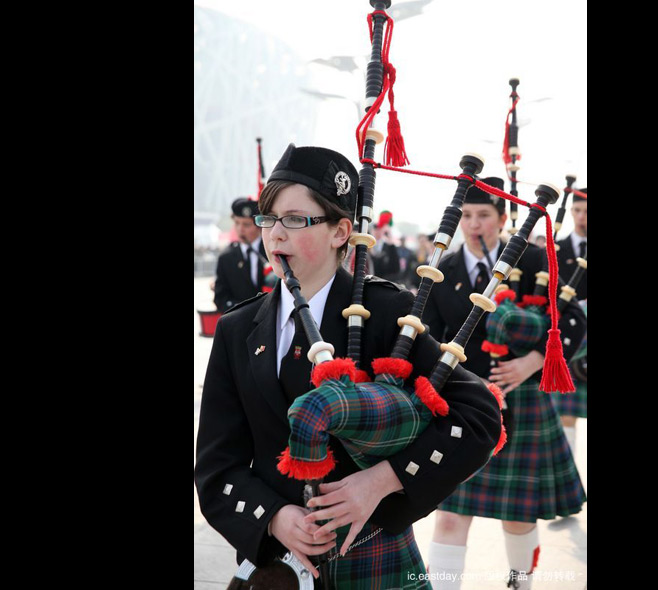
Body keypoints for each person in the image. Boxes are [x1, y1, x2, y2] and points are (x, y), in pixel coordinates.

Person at [194, 144, 502, 589]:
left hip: (374, 556)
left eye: (296, 219)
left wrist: (381, 481)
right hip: (274, 564)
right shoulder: (237, 328)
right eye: (268, 218)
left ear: (341, 231)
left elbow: (477, 416)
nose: (275, 235)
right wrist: (276, 518)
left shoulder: (387, 313)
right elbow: (216, 464)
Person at [421, 178, 587, 589]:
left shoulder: (533, 260)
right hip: (461, 404)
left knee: (518, 516)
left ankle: (520, 584)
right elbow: (431, 334)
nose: (475, 225)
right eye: (467, 216)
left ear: (500, 218)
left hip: (523, 400)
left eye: (484, 216)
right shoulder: (444, 269)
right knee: (450, 515)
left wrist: (533, 362)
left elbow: (571, 322)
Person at [552, 188, 587, 454]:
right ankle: (570, 462)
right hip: (570, 336)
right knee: (565, 415)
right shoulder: (556, 250)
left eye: (587, 212)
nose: (581, 217)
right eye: (577, 210)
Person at [213, 198, 277, 312]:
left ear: (258, 225)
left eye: (246, 225)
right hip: (239, 321)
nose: (240, 229)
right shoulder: (226, 258)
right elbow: (220, 297)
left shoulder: (273, 251)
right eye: (237, 223)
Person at [369, 210, 402, 282]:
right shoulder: (368, 245)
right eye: (375, 228)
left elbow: (396, 268)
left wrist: (391, 243)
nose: (377, 231)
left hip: (383, 280)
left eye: (379, 228)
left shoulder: (388, 246)